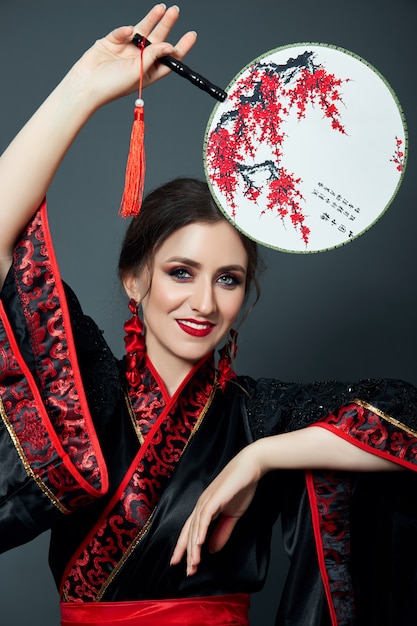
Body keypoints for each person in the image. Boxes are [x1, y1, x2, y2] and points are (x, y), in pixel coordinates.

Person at [0, 4, 416, 625]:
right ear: (134, 279)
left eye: (229, 280)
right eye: (180, 272)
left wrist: (260, 458)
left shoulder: (261, 418)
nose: (204, 303)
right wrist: (84, 87)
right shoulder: (88, 390)